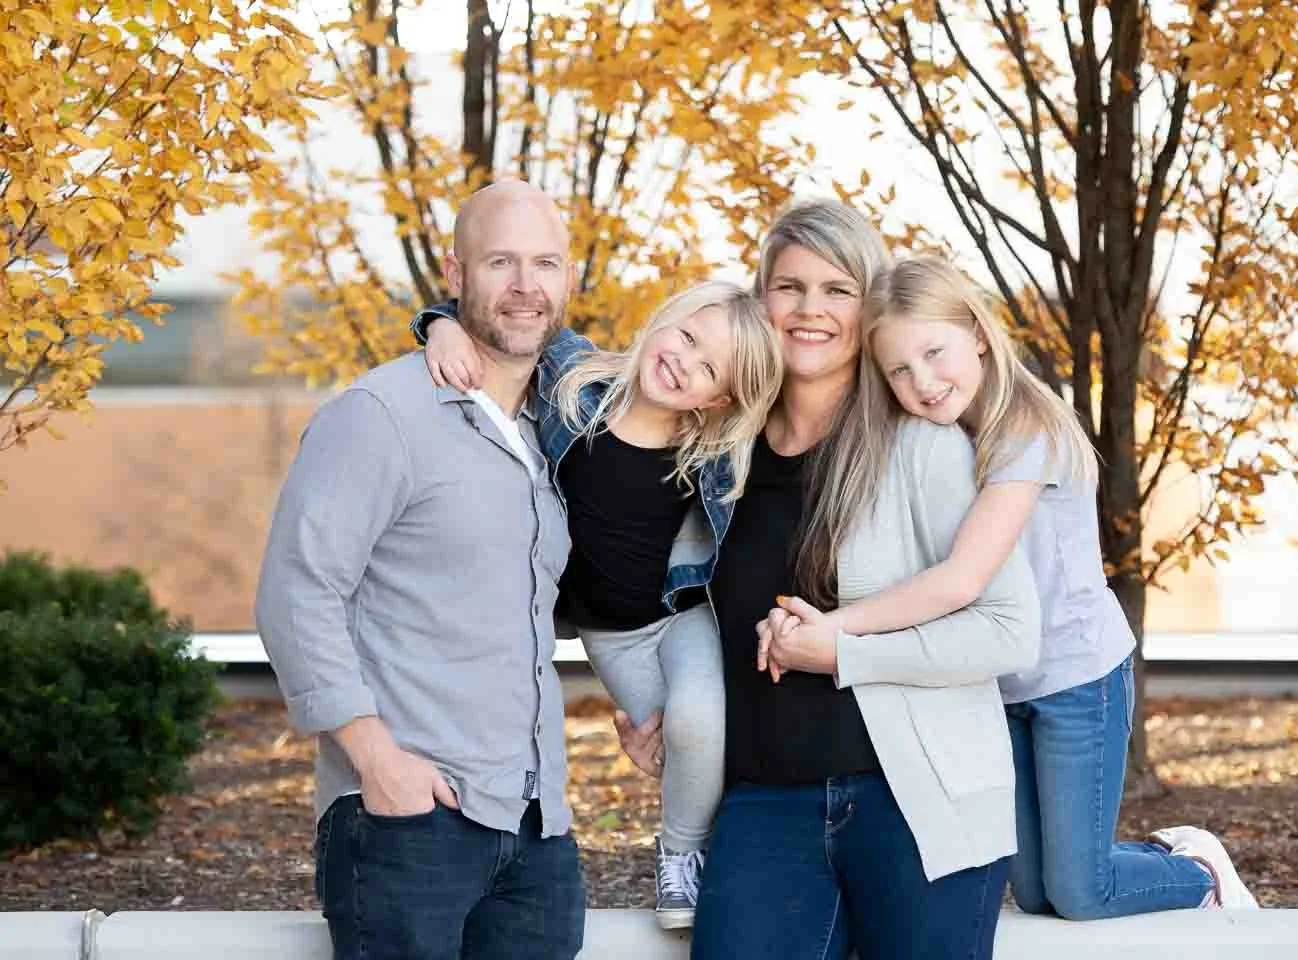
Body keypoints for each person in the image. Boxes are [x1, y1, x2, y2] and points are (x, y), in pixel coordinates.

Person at [771, 254, 1258, 917]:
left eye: (935, 352)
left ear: (976, 331)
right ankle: (1157, 861)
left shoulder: (1024, 429)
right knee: (1033, 892)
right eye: (900, 371)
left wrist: (839, 628)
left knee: (1082, 892)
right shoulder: (942, 438)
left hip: (1076, 679)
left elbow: (961, 579)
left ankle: (1198, 871)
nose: (925, 381)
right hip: (1002, 688)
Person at [626, 198, 1043, 960]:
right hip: (762, 803)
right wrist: (654, 704)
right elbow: (655, 589)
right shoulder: (718, 452)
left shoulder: (922, 444)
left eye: (836, 289)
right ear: (762, 301)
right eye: (789, 287)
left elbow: (1010, 631)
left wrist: (843, 654)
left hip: (919, 801)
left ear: (869, 307)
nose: (809, 310)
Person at [255, 181, 586, 960]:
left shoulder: (564, 424)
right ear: (456, 271)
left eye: (546, 263)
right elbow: (297, 592)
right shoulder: (382, 414)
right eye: (501, 262)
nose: (525, 287)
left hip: (537, 831)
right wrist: (378, 762)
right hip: (409, 819)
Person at [411, 280, 784, 929]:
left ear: (718, 398)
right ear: (664, 319)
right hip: (609, 636)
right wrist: (441, 327)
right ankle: (733, 860)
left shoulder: (710, 455)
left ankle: (682, 856)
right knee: (674, 752)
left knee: (700, 721)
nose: (682, 361)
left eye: (707, 368)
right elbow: (511, 318)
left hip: (678, 615)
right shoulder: (576, 383)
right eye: (687, 337)